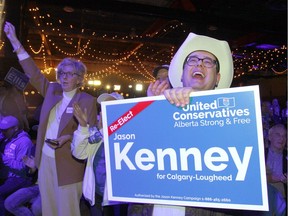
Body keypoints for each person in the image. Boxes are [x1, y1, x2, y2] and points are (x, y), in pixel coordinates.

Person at [133, 33, 234, 215]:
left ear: (217, 78)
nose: (199, 64)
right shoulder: (156, 106)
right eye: (192, 60)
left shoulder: (233, 118)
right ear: (181, 74)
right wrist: (152, 111)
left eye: (208, 62)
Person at [4, 22, 98, 216]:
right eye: (61, 73)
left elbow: (92, 136)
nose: (64, 78)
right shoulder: (52, 91)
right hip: (45, 159)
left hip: (68, 164)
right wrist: (15, 41)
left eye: (70, 74)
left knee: (67, 211)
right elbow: (33, 73)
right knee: (48, 209)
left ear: (80, 79)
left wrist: (68, 138)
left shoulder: (87, 100)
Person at [72, 92, 128, 216]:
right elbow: (79, 153)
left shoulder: (128, 135)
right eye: (103, 107)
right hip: (97, 195)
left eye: (109, 106)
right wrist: (82, 126)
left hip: (118, 198)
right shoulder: (96, 134)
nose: (104, 111)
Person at [0, 115, 34, 215]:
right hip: (7, 175)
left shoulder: (24, 142)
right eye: (1, 130)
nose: (2, 132)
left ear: (15, 128)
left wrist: (3, 158)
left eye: (5, 130)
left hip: (20, 177)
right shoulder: (6, 138)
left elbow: (23, 167)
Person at [265, 124, 287, 215]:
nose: (281, 138)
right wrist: (269, 178)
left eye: (284, 136)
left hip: (282, 200)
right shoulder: (260, 153)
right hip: (263, 198)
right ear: (270, 137)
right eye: (278, 135)